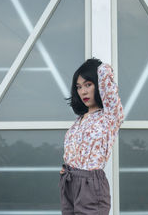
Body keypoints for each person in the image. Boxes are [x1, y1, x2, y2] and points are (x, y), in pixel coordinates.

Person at [59, 58, 124, 215]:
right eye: (79, 87)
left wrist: (96, 66)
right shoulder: (80, 119)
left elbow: (105, 74)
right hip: (69, 181)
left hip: (90, 185)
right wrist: (67, 167)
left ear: (98, 84)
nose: (83, 91)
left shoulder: (110, 115)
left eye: (88, 84)